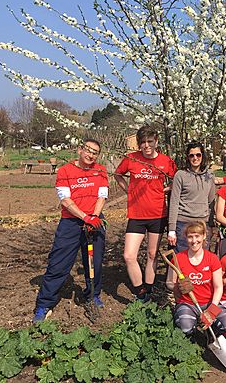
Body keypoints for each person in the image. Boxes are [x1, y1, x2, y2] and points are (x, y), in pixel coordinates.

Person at [33, 139, 108, 322]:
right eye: (88, 150)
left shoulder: (101, 170)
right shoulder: (65, 170)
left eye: (95, 152)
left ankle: (92, 294)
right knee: (59, 263)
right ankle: (45, 303)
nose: (90, 155)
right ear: (80, 149)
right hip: (71, 223)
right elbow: (65, 200)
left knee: (94, 262)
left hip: (95, 220)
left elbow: (102, 196)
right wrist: (85, 217)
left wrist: (94, 217)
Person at [114, 126, 177, 302]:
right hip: (136, 214)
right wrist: (128, 191)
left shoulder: (166, 161)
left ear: (156, 141)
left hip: (158, 214)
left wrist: (168, 188)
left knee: (152, 254)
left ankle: (148, 290)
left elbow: (177, 180)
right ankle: (139, 290)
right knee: (129, 255)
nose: (146, 145)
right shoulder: (131, 159)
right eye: (143, 142)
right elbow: (118, 174)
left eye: (150, 141)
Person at [167, 221, 226, 336]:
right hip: (187, 303)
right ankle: (193, 336)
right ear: (186, 238)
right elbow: (169, 282)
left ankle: (210, 335)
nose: (194, 241)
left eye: (197, 236)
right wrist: (178, 285)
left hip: (208, 302)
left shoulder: (212, 259)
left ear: (203, 237)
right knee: (186, 328)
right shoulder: (177, 259)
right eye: (190, 237)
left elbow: (218, 287)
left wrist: (212, 310)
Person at [167, 142, 216, 253]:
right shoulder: (180, 175)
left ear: (202, 156)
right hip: (183, 224)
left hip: (202, 223)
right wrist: (171, 230)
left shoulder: (209, 175)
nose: (195, 158)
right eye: (191, 155)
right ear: (188, 157)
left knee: (201, 260)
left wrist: (211, 225)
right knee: (182, 261)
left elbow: (211, 201)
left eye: (198, 155)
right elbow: (174, 202)